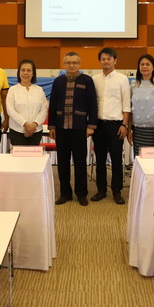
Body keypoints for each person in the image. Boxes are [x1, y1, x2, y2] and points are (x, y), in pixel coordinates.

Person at [48, 52, 97, 206]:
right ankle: (65, 194)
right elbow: (53, 104)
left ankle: (81, 194)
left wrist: (91, 126)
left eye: (75, 62)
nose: (71, 65)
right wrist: (52, 126)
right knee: (62, 163)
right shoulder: (58, 81)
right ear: (64, 64)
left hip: (79, 128)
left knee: (80, 162)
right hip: (61, 128)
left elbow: (93, 104)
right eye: (68, 63)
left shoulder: (87, 80)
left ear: (79, 64)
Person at [91, 47, 131, 204]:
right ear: (99, 61)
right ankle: (101, 190)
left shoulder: (122, 79)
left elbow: (126, 104)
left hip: (116, 125)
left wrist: (124, 125)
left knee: (116, 159)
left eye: (109, 59)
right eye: (103, 59)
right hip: (99, 125)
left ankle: (117, 191)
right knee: (100, 159)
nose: (106, 61)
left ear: (115, 60)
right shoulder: (94, 79)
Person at [128, 54, 154, 157]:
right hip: (138, 132)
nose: (144, 67)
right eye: (142, 64)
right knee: (141, 162)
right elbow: (130, 109)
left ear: (153, 67)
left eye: (147, 64)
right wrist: (129, 131)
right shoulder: (134, 84)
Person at [6, 59, 47, 146]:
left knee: (34, 155)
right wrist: (25, 124)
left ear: (33, 73)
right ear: (19, 72)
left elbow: (44, 110)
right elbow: (11, 110)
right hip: (17, 131)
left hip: (36, 131)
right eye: (23, 70)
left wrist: (34, 125)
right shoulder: (12, 90)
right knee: (19, 155)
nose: (25, 73)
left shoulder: (39, 90)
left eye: (29, 70)